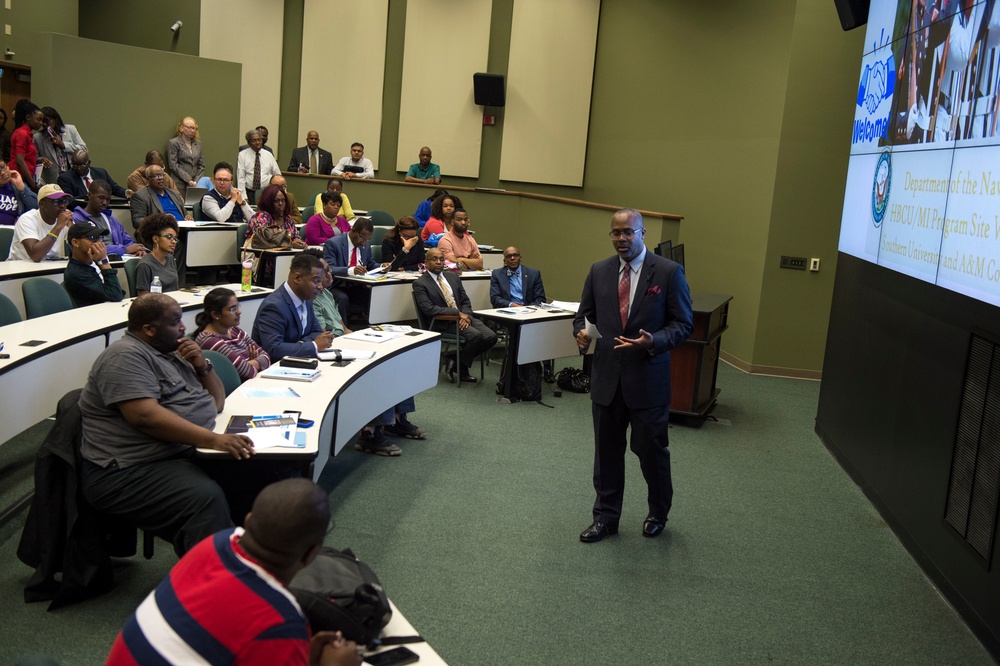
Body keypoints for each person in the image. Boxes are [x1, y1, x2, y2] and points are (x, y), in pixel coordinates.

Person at [105, 478, 363, 666]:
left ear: (248, 521)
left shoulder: (215, 543)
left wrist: (299, 653)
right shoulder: (279, 622)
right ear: (311, 555)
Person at [78, 294, 257, 558]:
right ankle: (213, 578)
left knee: (256, 472)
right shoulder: (124, 356)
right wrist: (212, 440)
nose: (184, 327)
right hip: (127, 469)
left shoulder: (171, 352)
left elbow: (217, 402)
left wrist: (201, 365)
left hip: (174, 450)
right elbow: (144, 417)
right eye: (175, 322)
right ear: (149, 329)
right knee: (204, 499)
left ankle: (249, 555)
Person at [573, 208, 693, 543]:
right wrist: (580, 334)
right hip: (607, 381)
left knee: (650, 452)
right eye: (615, 233)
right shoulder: (599, 271)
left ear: (642, 234)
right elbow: (583, 316)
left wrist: (653, 341)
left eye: (628, 232)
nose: (621, 239)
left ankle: (658, 512)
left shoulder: (668, 272)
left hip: (647, 383)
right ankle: (606, 518)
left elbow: (683, 324)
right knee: (607, 455)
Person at [413, 248, 497, 383]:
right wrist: (458, 314)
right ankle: (462, 369)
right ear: (426, 262)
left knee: (491, 337)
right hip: (442, 322)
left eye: (441, 259)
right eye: (434, 259)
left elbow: (465, 300)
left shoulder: (453, 277)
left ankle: (454, 360)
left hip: (464, 317)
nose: (439, 262)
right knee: (475, 336)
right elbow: (429, 309)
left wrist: (467, 316)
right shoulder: (420, 283)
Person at [251, 252, 335, 360]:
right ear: (297, 278)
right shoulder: (274, 306)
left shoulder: (306, 298)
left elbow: (316, 332)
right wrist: (313, 345)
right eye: (316, 281)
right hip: (275, 368)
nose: (320, 287)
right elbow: (274, 349)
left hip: (300, 361)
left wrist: (299, 345)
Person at [195, 287, 272, 382]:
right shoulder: (209, 340)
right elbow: (248, 372)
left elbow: (266, 357)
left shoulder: (235, 330)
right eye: (232, 309)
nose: (239, 312)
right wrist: (255, 363)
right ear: (215, 315)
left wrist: (249, 363)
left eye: (238, 306)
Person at [323, 217, 380, 325]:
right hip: (336, 285)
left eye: (367, 240)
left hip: (357, 285)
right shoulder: (333, 244)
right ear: (353, 231)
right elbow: (329, 268)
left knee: (374, 296)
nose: (364, 243)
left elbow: (371, 264)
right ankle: (342, 331)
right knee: (342, 299)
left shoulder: (365, 244)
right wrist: (351, 270)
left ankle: (370, 329)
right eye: (362, 238)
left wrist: (382, 266)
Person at [71, 180, 145, 257]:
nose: (104, 202)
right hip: (94, 262)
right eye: (101, 198)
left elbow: (128, 241)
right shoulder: (76, 219)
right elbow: (89, 248)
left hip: (120, 260)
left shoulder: (110, 219)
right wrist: (125, 249)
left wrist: (137, 249)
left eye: (108, 199)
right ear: (89, 195)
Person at [62, 222, 125, 306]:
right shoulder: (76, 273)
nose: (99, 242)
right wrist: (104, 261)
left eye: (99, 238)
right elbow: (115, 295)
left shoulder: (95, 261)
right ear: (75, 242)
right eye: (92, 238)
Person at [7, 183, 73, 262]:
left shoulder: (65, 219)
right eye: (56, 201)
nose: (62, 205)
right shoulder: (27, 219)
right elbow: (35, 255)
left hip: (51, 268)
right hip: (21, 269)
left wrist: (72, 229)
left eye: (64, 201)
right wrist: (58, 227)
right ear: (42, 204)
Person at [128, 164, 191, 231]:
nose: (160, 178)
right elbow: (137, 221)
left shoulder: (174, 194)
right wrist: (161, 220)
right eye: (156, 176)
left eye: (161, 175)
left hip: (182, 230)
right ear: (148, 179)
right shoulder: (140, 196)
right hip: (159, 232)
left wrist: (188, 218)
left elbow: (185, 214)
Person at [302, 249, 349, 336]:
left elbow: (344, 329)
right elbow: (322, 337)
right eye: (325, 270)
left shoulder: (327, 293)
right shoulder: (312, 300)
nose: (329, 273)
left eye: (329, 269)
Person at [135, 213, 181, 295]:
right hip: (156, 305)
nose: (173, 241)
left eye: (175, 238)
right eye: (169, 237)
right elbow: (143, 298)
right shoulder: (145, 265)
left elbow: (175, 289)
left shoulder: (170, 259)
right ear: (155, 239)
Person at [56, 149, 128, 199]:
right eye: (75, 165)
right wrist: (90, 197)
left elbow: (114, 188)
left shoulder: (101, 173)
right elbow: (69, 200)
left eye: (81, 165)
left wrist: (126, 192)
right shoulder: (65, 178)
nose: (78, 168)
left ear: (89, 163)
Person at [237, 129, 281, 204]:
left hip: (266, 192)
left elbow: (277, 174)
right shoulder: (242, 155)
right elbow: (241, 177)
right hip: (249, 192)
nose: (257, 143)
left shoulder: (268, 155)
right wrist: (244, 196)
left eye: (259, 140)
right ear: (248, 142)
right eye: (254, 141)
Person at [9, 99, 44, 193]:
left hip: (25, 178)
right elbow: (20, 161)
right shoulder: (22, 133)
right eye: (38, 119)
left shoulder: (28, 134)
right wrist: (32, 184)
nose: (41, 123)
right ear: (28, 117)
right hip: (19, 179)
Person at [168, 116, 205, 198]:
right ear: (181, 128)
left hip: (195, 185)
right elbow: (173, 165)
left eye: (194, 128)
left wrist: (196, 181)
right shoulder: (174, 143)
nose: (192, 130)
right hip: (179, 184)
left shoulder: (198, 144)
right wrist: (188, 180)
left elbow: (201, 165)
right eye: (189, 128)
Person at [0, 160, 38, 226]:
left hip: (15, 231)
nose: (3, 173)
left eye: (3, 167)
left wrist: (22, 187)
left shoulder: (15, 186)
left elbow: (36, 206)